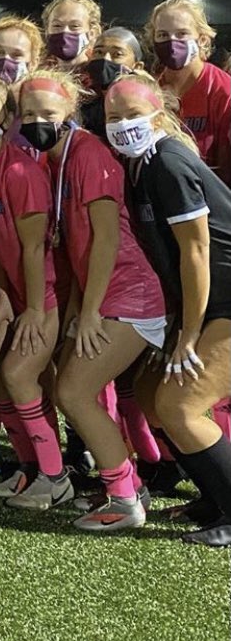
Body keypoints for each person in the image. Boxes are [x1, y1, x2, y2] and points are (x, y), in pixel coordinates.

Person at [19, 71, 167, 532]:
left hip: (132, 293)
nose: (37, 121)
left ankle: (125, 497)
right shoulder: (58, 158)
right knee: (71, 384)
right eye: (27, 114)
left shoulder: (88, 153)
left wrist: (88, 314)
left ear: (69, 112)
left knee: (73, 390)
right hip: (112, 292)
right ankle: (125, 484)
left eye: (48, 112)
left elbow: (105, 239)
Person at [104, 73, 231, 547]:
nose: (123, 126)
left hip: (225, 299)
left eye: (133, 115)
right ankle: (213, 496)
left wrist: (189, 333)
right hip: (212, 299)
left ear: (159, 113)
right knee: (154, 394)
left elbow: (197, 253)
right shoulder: (139, 165)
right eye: (114, 117)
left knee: (181, 405)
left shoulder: (168, 162)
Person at [0, 75, 73, 510]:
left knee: (19, 376)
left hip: (46, 294)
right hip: (17, 293)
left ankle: (57, 477)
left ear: (7, 119)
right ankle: (29, 468)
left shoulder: (20, 170)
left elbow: (32, 247)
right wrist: (4, 295)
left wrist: (35, 311)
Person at [146, 0, 231, 183]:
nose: (172, 42)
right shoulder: (150, 89)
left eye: (182, 33)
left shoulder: (223, 90)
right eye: (162, 35)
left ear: (202, 39)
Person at [79, 27, 144, 140]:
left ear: (137, 66)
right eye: (99, 52)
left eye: (117, 54)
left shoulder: (145, 106)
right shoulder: (83, 106)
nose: (106, 59)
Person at [42, 0, 102, 68]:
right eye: (57, 25)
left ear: (92, 33)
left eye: (75, 26)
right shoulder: (34, 74)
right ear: (47, 30)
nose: (64, 31)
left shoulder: (102, 75)